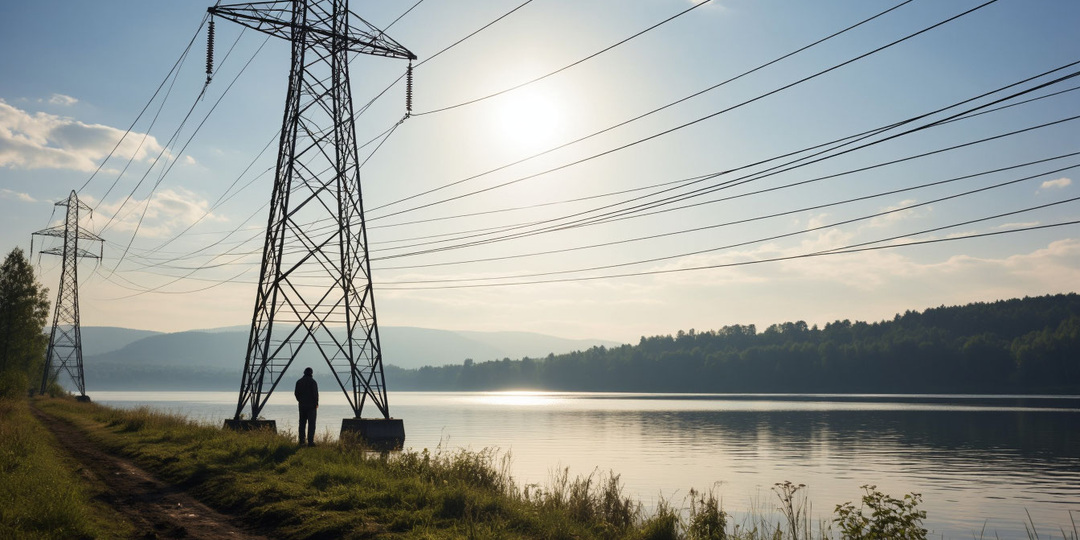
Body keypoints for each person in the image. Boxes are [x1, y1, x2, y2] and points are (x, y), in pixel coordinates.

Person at [294, 367, 319, 446]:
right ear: (311, 373)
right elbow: (315, 394)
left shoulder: (299, 382)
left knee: (302, 423)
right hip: (311, 406)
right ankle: (310, 441)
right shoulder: (313, 382)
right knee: (311, 424)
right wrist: (316, 403)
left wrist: (300, 400)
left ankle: (302, 441)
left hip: (302, 405)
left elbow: (296, 393)